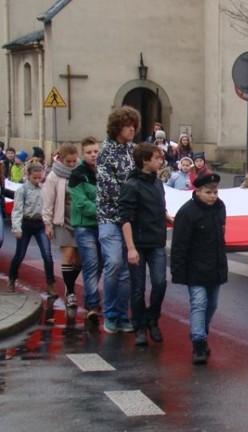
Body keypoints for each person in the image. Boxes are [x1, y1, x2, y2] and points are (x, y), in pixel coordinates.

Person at [171, 172, 228, 365]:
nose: (213, 196)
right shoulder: (187, 212)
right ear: (198, 191)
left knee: (212, 305)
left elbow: (221, 238)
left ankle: (201, 332)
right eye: (208, 192)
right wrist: (178, 271)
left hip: (215, 267)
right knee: (199, 303)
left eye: (215, 192)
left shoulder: (220, 208)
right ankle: (199, 343)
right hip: (195, 267)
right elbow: (179, 244)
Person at [119, 142, 171, 346]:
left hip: (156, 241)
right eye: (157, 158)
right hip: (138, 244)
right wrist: (131, 248)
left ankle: (152, 319)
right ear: (145, 161)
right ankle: (139, 325)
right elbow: (125, 219)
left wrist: (167, 216)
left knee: (159, 283)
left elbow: (159, 207)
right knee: (138, 287)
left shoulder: (157, 183)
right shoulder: (131, 185)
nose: (161, 161)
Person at [96, 105, 140, 334]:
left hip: (130, 219)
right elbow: (110, 189)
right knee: (114, 263)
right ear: (117, 127)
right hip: (110, 217)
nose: (132, 129)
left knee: (126, 270)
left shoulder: (134, 151)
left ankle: (122, 315)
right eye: (127, 125)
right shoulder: (105, 152)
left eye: (134, 125)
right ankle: (110, 312)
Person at [69, 137, 103, 330]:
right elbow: (81, 203)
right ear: (83, 154)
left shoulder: (104, 172)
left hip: (102, 225)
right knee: (90, 264)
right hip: (84, 225)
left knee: (102, 263)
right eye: (89, 152)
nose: (93, 155)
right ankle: (92, 306)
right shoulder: (77, 175)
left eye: (96, 152)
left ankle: (90, 297)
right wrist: (102, 210)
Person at [7, 163, 56, 295]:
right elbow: (17, 210)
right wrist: (16, 228)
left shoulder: (44, 188)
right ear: (28, 175)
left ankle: (50, 284)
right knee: (20, 254)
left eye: (40, 177)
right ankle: (11, 279)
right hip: (26, 223)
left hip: (40, 224)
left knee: (47, 255)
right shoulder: (22, 190)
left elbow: (49, 207)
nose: (37, 180)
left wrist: (49, 224)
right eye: (34, 177)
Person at [42, 143, 82, 306]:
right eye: (69, 162)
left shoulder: (81, 171)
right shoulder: (54, 175)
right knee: (68, 255)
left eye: (74, 161)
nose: (72, 165)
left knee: (79, 260)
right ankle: (70, 292)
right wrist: (47, 223)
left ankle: (69, 284)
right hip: (62, 219)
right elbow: (48, 200)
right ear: (62, 159)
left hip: (79, 220)